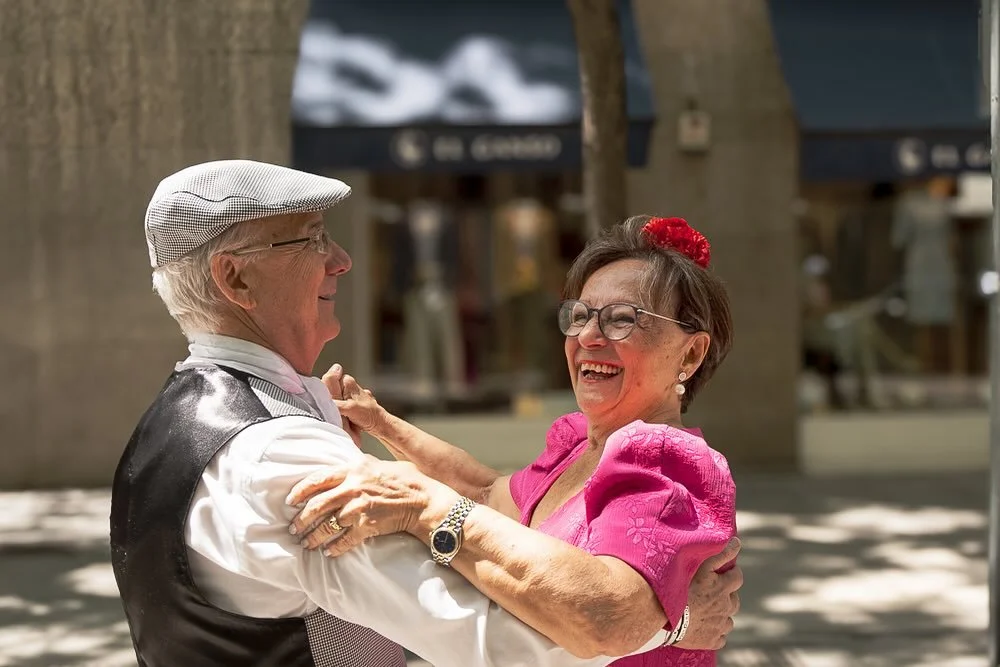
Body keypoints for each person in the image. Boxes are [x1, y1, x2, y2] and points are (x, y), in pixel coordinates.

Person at [109, 161, 742, 667]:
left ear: (691, 351)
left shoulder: (174, 418)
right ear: (236, 282)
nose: (342, 261)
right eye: (312, 240)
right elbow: (495, 580)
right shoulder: (279, 450)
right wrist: (678, 624)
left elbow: (490, 529)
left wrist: (419, 497)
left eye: (623, 318)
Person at [286, 215, 739, 666]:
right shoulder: (582, 444)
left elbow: (606, 619)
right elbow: (483, 491)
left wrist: (426, 508)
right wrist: (380, 421)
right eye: (579, 316)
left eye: (622, 320)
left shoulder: (667, 460)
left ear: (691, 353)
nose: (587, 336)